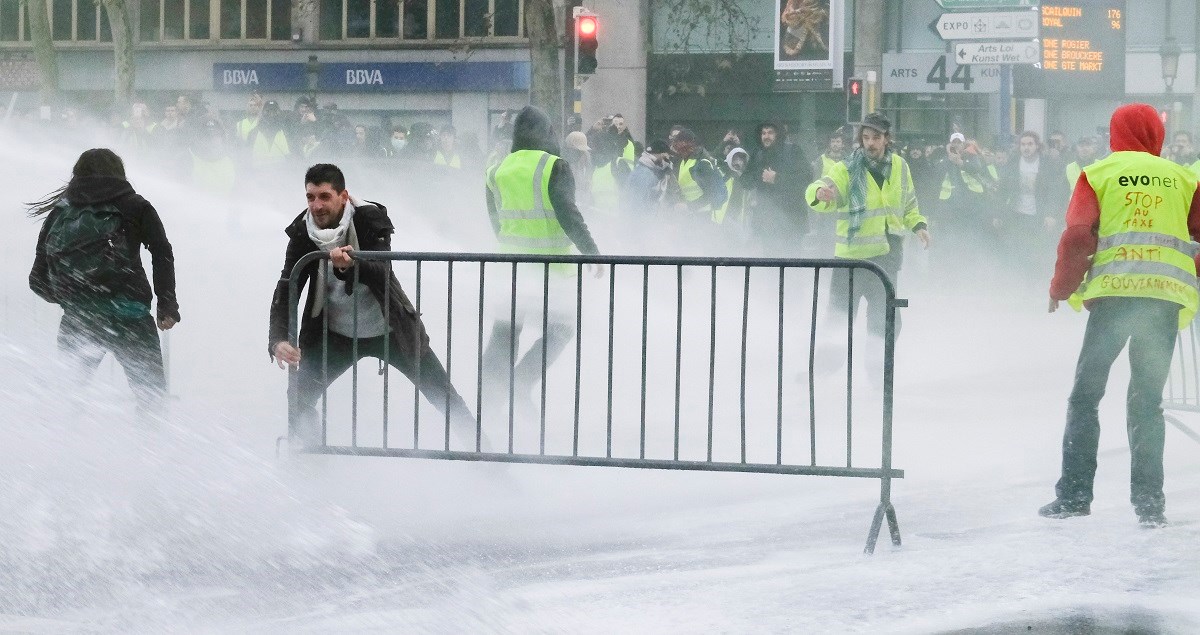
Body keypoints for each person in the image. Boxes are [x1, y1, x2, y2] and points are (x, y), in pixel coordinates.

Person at [1041, 103, 1200, 528]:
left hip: (1114, 301)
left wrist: (1061, 288)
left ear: (1116, 133)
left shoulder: (1098, 174)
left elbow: (1077, 236)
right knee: (1146, 403)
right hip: (1163, 301)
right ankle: (1150, 503)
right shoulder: (1184, 179)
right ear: (1155, 134)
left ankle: (1075, 496)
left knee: (1085, 396)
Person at [268, 163, 476, 448]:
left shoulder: (369, 219)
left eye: (324, 197)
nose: (316, 206)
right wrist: (278, 339)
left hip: (391, 329)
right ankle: (313, 456)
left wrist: (352, 266)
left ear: (343, 196)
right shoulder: (303, 233)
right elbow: (287, 286)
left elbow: (382, 269)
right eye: (310, 197)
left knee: (443, 394)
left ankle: (487, 458)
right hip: (335, 335)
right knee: (298, 398)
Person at [28, 148, 180, 421]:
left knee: (69, 396)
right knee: (151, 397)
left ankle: (65, 454)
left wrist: (70, 299)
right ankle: (152, 454)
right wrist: (166, 304)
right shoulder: (136, 205)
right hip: (129, 315)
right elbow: (161, 253)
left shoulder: (62, 210)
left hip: (80, 319)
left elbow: (37, 278)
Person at [483, 105, 600, 415]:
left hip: (511, 269)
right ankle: (520, 382)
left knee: (506, 331)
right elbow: (568, 214)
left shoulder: (497, 169)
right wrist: (592, 251)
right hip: (553, 271)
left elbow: (496, 220)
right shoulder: (554, 166)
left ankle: (489, 400)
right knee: (562, 329)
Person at [807, 112, 930, 340]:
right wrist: (819, 193)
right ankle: (821, 371)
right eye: (866, 137)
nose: (870, 143)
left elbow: (909, 204)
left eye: (876, 137)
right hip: (850, 261)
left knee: (886, 322)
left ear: (886, 138)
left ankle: (879, 372)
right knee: (838, 323)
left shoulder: (900, 166)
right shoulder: (846, 169)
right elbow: (820, 187)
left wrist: (918, 225)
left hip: (887, 258)